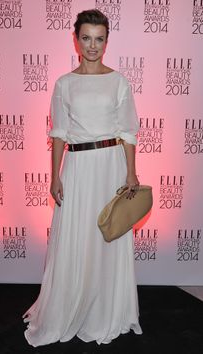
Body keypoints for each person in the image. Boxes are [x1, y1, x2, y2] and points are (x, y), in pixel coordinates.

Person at [23, 8, 142, 346]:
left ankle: (106, 310)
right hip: (76, 168)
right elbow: (59, 133)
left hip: (111, 166)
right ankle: (70, 306)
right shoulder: (65, 84)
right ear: (76, 40)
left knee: (109, 235)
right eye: (86, 38)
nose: (93, 45)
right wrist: (54, 176)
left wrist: (130, 172)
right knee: (76, 236)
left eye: (99, 39)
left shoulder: (119, 82)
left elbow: (128, 132)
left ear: (107, 41)